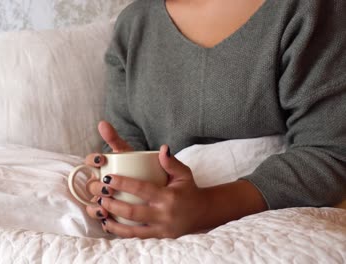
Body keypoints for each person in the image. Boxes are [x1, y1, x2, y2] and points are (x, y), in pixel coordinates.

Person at [83, 0, 346, 238]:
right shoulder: (133, 24)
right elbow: (123, 138)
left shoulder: (310, 9)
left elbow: (329, 152)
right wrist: (126, 180)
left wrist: (207, 207)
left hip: (278, 232)